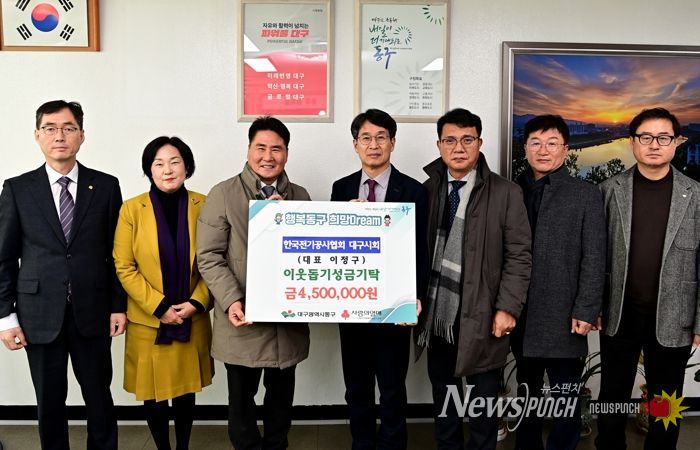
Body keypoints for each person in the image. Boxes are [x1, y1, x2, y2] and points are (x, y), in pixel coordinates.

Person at [0, 100, 126, 449]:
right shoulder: (18, 189)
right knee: (49, 400)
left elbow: (117, 253)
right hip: (38, 312)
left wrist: (118, 305)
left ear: (81, 135)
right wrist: (6, 317)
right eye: (51, 128)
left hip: (93, 310)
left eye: (69, 128)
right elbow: (4, 258)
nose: (60, 136)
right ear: (37, 135)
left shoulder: (106, 186)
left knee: (99, 397)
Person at [415, 108, 531, 450]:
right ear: (439, 145)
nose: (459, 148)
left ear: (480, 143)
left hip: (484, 314)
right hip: (437, 315)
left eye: (467, 139)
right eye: (450, 140)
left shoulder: (506, 192)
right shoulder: (428, 190)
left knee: (483, 403)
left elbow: (519, 255)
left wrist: (507, 308)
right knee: (445, 397)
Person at [196, 116, 310, 449]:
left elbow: (312, 254)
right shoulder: (223, 194)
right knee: (242, 405)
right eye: (261, 147)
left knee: (281, 403)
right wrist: (233, 300)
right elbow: (209, 256)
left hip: (286, 325)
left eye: (277, 149)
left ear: (286, 152)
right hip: (242, 321)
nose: (268, 156)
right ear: (248, 150)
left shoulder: (300, 196)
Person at [595, 107, 700, 450]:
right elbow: (595, 256)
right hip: (619, 313)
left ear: (677, 142)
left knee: (664, 401)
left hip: (674, 316)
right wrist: (593, 306)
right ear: (632, 142)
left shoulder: (696, 195)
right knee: (612, 395)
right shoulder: (609, 190)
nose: (654, 144)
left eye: (663, 137)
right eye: (646, 137)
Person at [330, 109, 429, 450]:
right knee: (356, 387)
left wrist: (416, 296)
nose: (374, 145)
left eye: (381, 137)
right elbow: (333, 249)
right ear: (355, 144)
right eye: (366, 138)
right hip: (352, 307)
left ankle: (392, 445)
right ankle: (362, 444)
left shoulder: (414, 190)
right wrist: (346, 221)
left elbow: (421, 250)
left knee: (391, 388)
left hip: (394, 306)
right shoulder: (341, 188)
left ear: (393, 142)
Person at [511, 115, 606, 450]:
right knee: (527, 392)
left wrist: (586, 308)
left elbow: (595, 256)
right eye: (535, 143)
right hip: (520, 312)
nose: (543, 150)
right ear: (525, 148)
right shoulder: (512, 191)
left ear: (565, 150)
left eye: (552, 143)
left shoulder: (585, 194)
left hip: (564, 314)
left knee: (566, 398)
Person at [113, 136, 214, 450]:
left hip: (191, 316)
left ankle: (182, 447)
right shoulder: (132, 209)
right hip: (149, 321)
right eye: (159, 164)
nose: (167, 170)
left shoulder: (205, 205)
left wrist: (197, 302)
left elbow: (217, 259)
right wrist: (159, 307)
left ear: (187, 167)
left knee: (186, 393)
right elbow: (124, 265)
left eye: (175, 162)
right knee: (153, 395)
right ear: (149, 170)